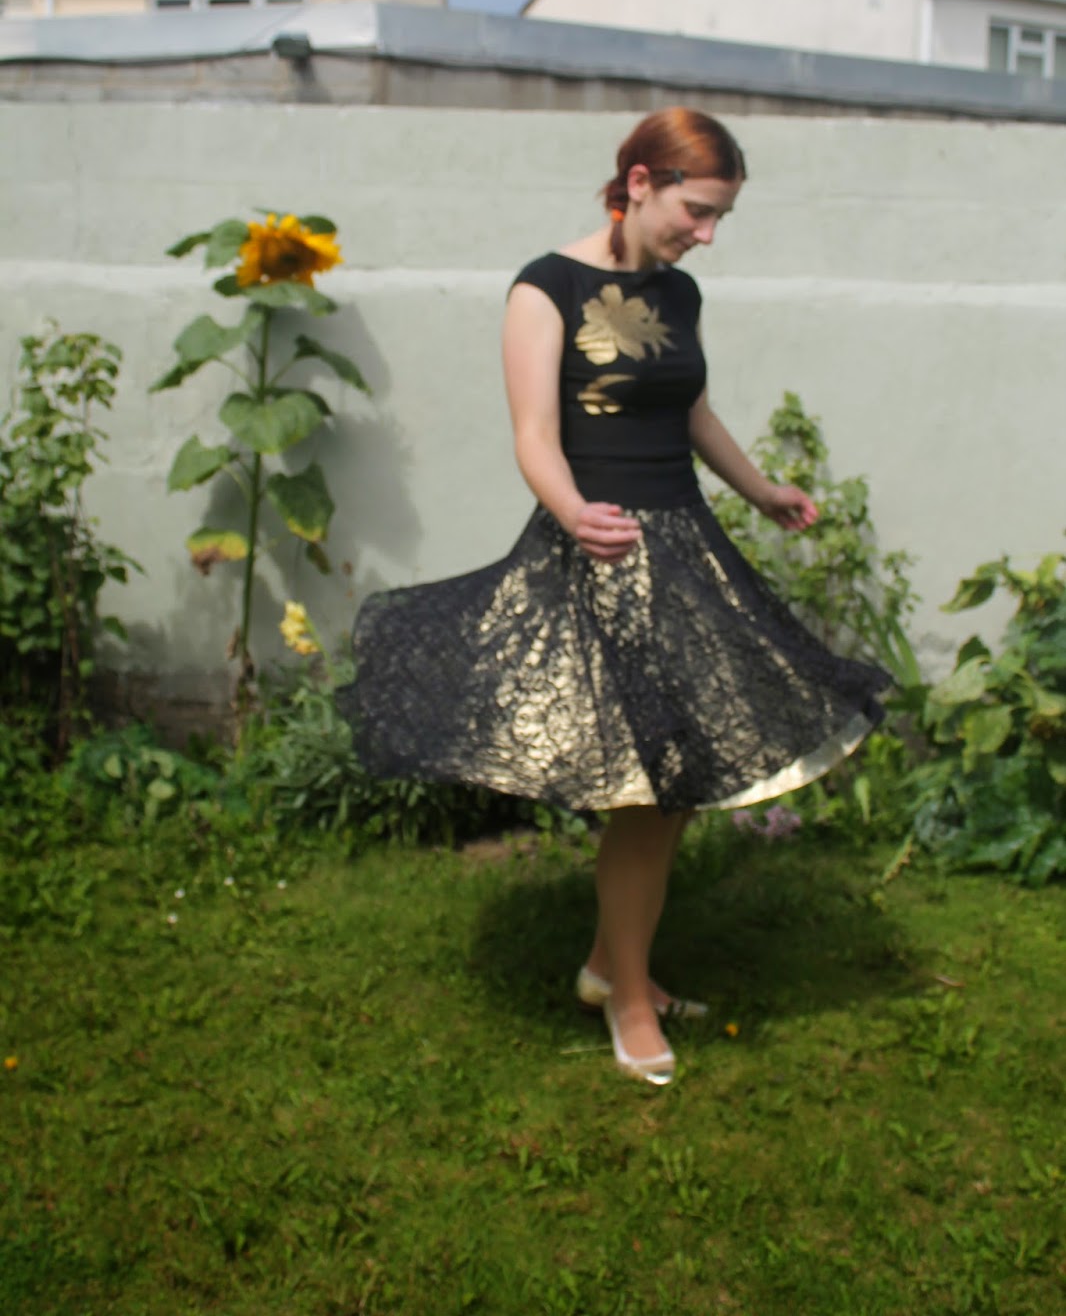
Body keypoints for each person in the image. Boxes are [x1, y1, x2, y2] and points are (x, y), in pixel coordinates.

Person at [339, 108, 889, 1087]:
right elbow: (533, 434)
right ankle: (629, 999)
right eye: (697, 211)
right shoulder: (543, 288)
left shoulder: (678, 292)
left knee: (673, 789)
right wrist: (574, 512)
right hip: (598, 554)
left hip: (683, 550)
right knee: (648, 791)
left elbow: (692, 410)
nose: (706, 235)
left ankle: (609, 965)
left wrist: (760, 489)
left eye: (720, 218)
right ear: (639, 182)